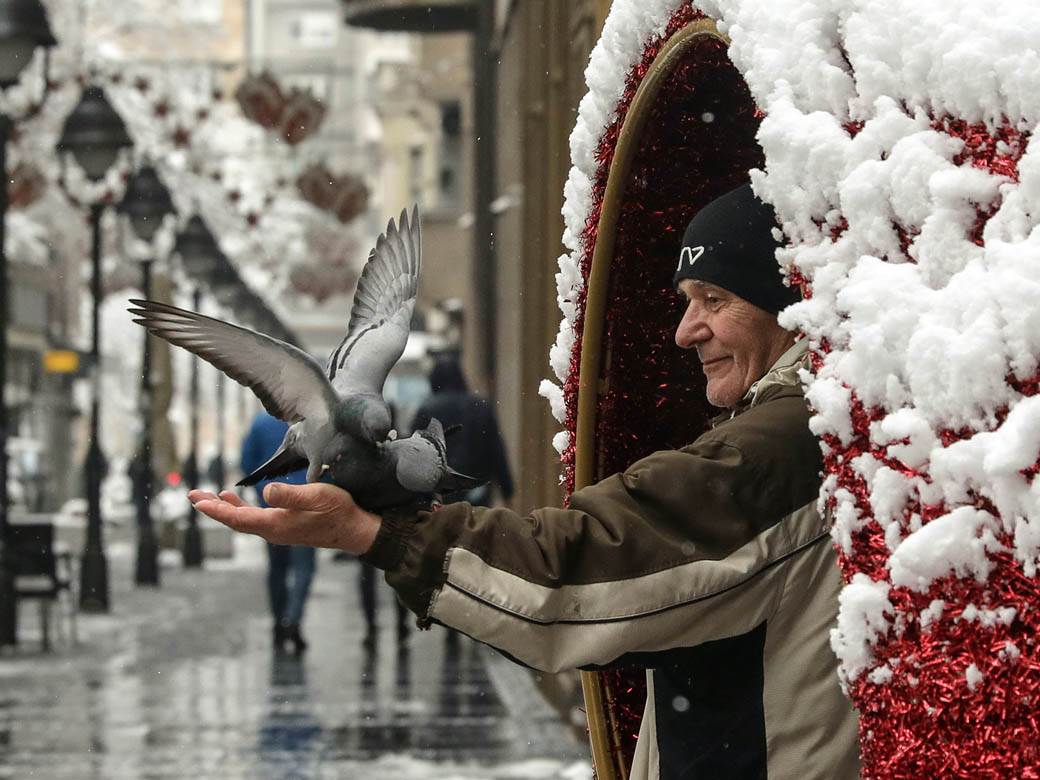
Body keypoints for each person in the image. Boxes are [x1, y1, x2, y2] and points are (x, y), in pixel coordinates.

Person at [190, 184, 861, 779]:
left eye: (715, 299)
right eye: (687, 301)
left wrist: (379, 532)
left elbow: (576, 572)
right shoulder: (812, 418)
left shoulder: (784, 441)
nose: (685, 331)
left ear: (788, 300)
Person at [240, 411, 316, 655]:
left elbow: (247, 461)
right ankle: (293, 620)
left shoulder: (261, 422)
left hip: (272, 505)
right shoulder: (312, 420)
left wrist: (263, 488)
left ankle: (279, 624)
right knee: (303, 569)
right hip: (305, 505)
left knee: (277, 570)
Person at [410, 354, 514, 506]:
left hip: (439, 497)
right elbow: (496, 450)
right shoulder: (480, 407)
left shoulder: (426, 410)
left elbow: (413, 456)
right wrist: (507, 491)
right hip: (476, 494)